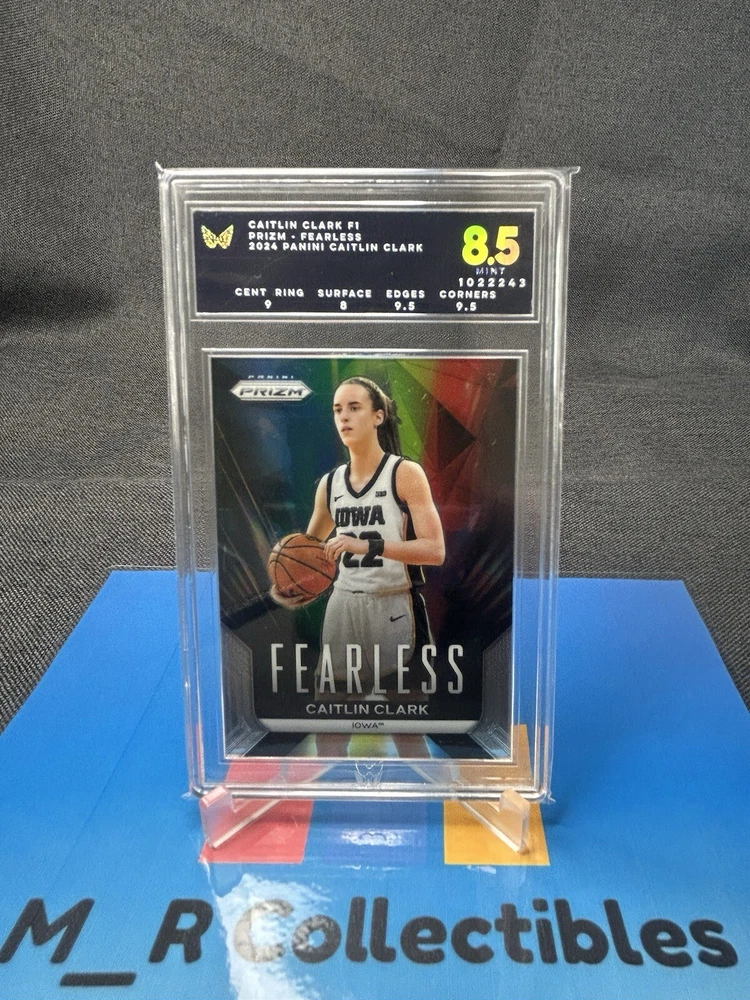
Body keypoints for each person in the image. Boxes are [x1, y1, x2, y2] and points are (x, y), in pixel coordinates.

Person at [272, 376, 445, 756]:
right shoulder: (330, 484)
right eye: (338, 410)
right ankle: (331, 789)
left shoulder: (405, 473)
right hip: (343, 605)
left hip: (394, 603)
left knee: (407, 730)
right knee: (330, 729)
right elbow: (310, 554)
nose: (344, 417)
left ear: (378, 416)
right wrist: (290, 584)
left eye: (354, 408)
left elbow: (435, 550)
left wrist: (368, 545)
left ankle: (415, 789)